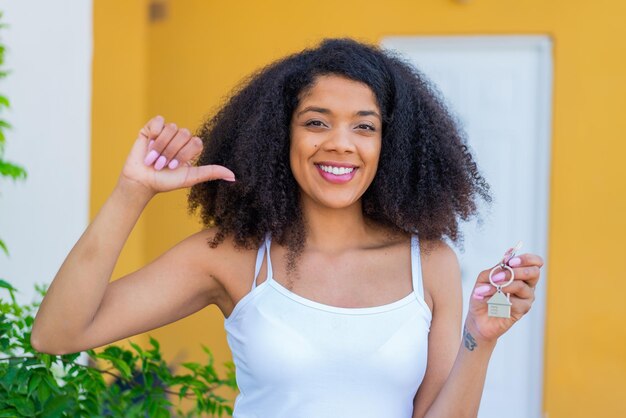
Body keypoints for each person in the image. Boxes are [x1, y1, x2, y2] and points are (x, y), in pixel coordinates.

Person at [31, 38, 543, 418]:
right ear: (281, 136)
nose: (341, 143)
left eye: (364, 126)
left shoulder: (429, 263)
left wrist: (481, 336)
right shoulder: (232, 257)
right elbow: (58, 334)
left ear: (392, 144)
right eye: (317, 122)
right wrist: (132, 191)